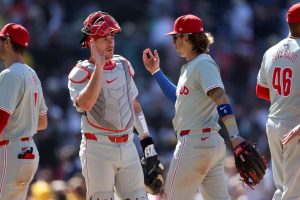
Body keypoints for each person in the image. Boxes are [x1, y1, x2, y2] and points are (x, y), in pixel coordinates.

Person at [142, 14, 250, 200]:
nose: (173, 42)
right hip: (208, 145)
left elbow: (221, 97)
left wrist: (234, 135)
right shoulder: (191, 67)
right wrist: (156, 72)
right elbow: (178, 98)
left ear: (187, 37)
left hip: (194, 143)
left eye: (175, 37)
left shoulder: (203, 63)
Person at [68, 11, 162, 200]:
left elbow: (134, 104)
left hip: (127, 145)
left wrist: (146, 140)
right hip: (97, 147)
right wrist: (99, 68)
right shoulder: (80, 72)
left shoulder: (123, 65)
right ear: (91, 42)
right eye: (104, 37)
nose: (110, 42)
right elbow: (85, 104)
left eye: (112, 36)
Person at [257, 3, 300, 199]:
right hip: (295, 125)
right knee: (293, 192)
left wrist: (283, 97)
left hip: (274, 123)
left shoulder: (271, 51)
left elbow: (261, 91)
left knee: (282, 187)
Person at [0, 23, 48, 199]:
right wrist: (23, 127)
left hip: (9, 150)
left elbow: (1, 118)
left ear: (7, 42)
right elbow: (43, 122)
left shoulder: (9, 74)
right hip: (28, 151)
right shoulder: (32, 74)